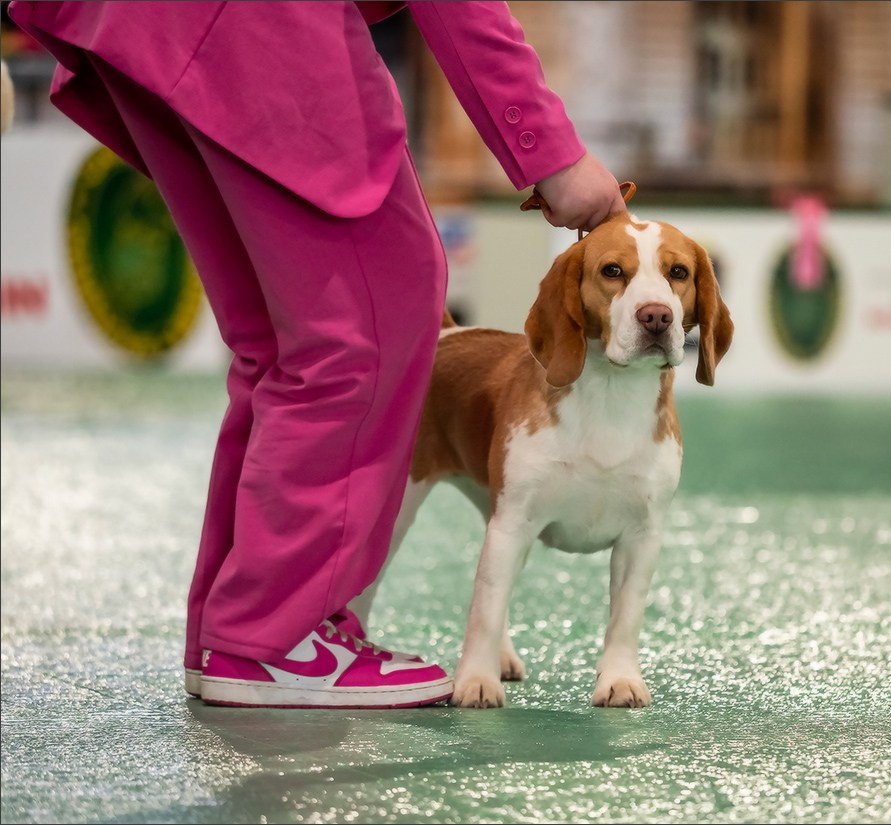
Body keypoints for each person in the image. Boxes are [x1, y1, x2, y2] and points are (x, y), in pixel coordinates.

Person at [8, 1, 627, 709]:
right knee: (370, 315)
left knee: (277, 340)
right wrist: (555, 155)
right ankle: (274, 635)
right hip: (251, 22)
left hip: (140, 22)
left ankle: (238, 628)